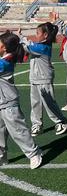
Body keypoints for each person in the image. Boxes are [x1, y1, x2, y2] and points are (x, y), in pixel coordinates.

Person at [0, 32, 42, 169]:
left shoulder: (4, 63)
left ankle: (34, 153)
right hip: (2, 102)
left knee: (18, 131)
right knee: (0, 131)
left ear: (5, 48)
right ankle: (1, 157)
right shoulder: (4, 59)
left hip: (8, 103)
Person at [19, 23, 67, 136]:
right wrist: (21, 37)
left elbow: (27, 46)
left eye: (38, 33)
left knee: (49, 103)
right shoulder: (39, 45)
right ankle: (37, 124)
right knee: (35, 103)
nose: (36, 35)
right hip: (34, 78)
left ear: (45, 35)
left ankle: (61, 121)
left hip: (44, 78)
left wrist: (19, 38)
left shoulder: (43, 47)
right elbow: (28, 44)